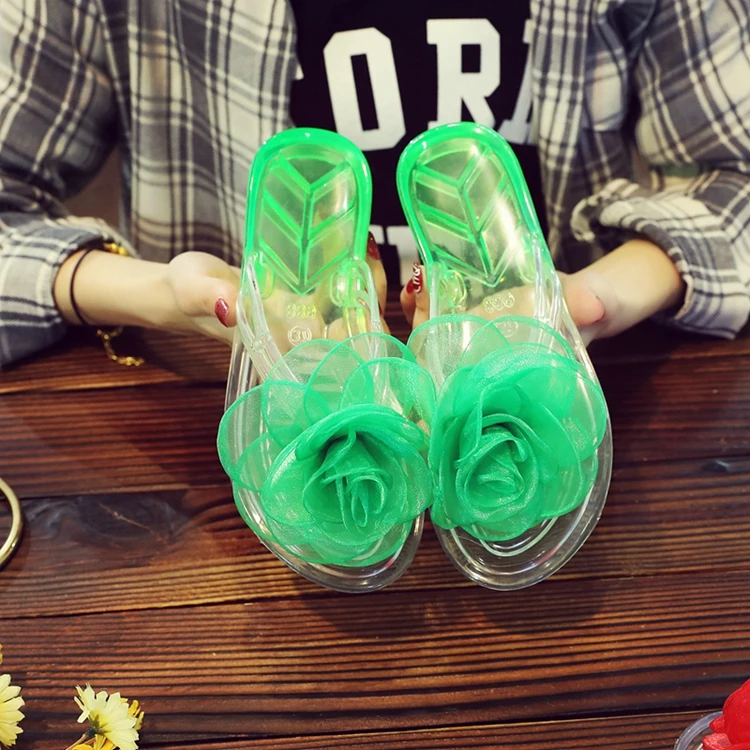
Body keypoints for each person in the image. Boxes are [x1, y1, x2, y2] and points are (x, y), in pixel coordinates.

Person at [0, 0, 747, 368]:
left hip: (543, 420)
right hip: (255, 433)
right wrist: (165, 297)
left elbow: (735, 173)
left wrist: (594, 299)